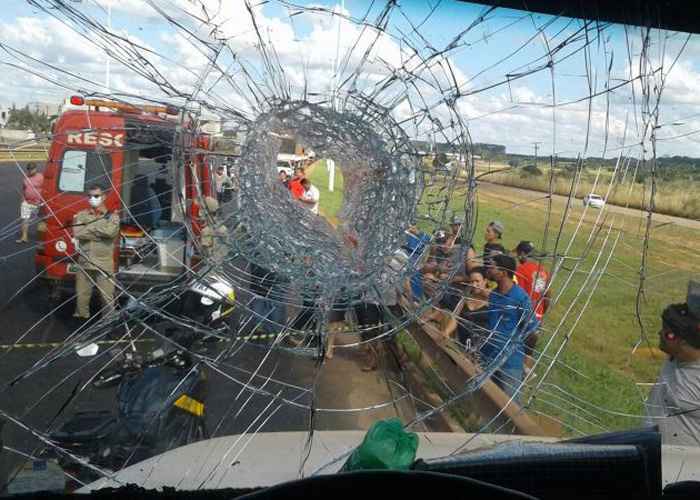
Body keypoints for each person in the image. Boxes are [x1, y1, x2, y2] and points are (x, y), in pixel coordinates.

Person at [645, 282, 700, 447]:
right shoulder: (675, 358)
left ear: (682, 342)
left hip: (686, 466)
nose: (660, 333)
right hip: (652, 453)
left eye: (667, 333)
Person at [481, 253, 538, 399]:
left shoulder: (520, 298)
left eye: (492, 267)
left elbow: (532, 332)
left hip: (511, 359)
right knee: (489, 397)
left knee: (510, 403)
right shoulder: (493, 294)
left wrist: (527, 359)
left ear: (503, 272)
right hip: (490, 356)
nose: (488, 270)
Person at [72, 185, 120, 321]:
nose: (93, 199)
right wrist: (99, 230)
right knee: (81, 296)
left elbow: (111, 232)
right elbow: (78, 233)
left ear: (103, 197)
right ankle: (80, 323)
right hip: (85, 261)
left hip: (103, 263)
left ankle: (108, 323)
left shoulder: (112, 216)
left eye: (96, 196)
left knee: (107, 297)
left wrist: (89, 228)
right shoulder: (81, 215)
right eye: (90, 196)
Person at [514, 241, 551, 369]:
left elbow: (518, 294)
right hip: (538, 314)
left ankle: (517, 374)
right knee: (529, 349)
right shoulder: (544, 271)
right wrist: (541, 313)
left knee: (517, 345)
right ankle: (527, 375)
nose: (518, 258)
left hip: (524, 313)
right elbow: (547, 296)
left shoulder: (520, 270)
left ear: (523, 254)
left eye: (518, 254)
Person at [455, 267, 491, 355]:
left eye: (477, 281)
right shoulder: (465, 298)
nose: (474, 285)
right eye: (471, 282)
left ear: (485, 281)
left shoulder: (492, 301)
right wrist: (446, 332)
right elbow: (454, 317)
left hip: (480, 347)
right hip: (461, 342)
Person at [17, 163, 44, 243]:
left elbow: (46, 189)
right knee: (25, 220)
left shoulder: (41, 177)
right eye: (29, 169)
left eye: (32, 168)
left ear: (35, 168)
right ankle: (24, 237)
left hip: (38, 203)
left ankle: (41, 239)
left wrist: (42, 201)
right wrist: (23, 199)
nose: (30, 170)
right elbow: (24, 188)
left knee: (41, 221)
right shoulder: (26, 177)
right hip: (27, 202)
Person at [199, 197, 228, 264]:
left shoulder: (207, 231)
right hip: (217, 265)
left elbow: (205, 253)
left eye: (201, 210)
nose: (199, 214)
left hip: (208, 267)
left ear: (207, 212)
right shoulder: (223, 228)